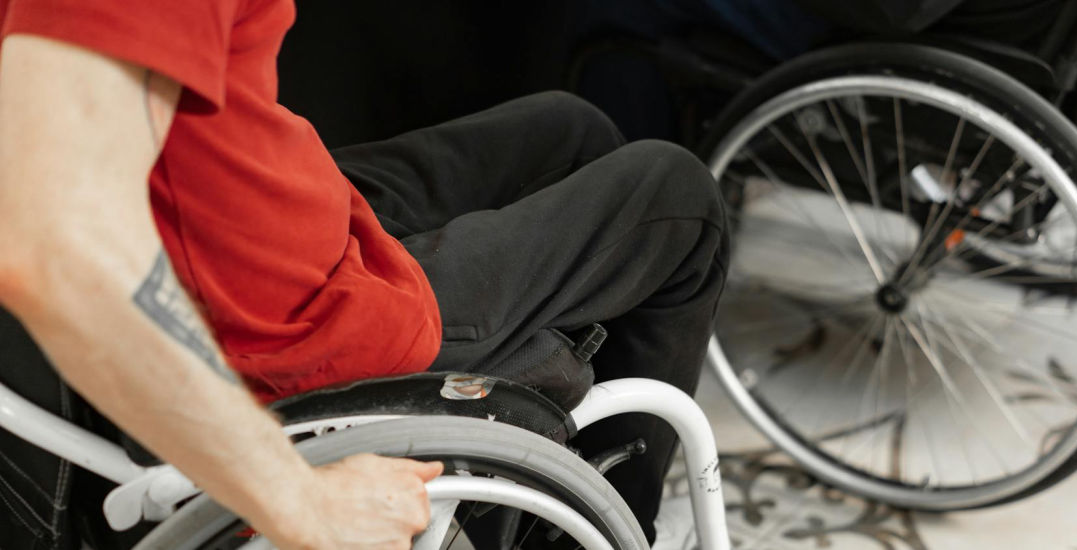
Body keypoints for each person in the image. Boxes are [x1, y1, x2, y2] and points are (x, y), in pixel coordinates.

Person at [0, 1, 727, 548]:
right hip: (296, 329)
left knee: (569, 130)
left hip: (241, 212)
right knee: (681, 201)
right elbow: (56, 244)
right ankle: (600, 533)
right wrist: (297, 498)